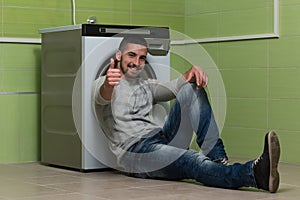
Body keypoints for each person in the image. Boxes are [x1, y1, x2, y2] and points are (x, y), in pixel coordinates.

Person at [93, 35, 281, 193]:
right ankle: (254, 174)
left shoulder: (145, 85)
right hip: (135, 153)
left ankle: (217, 159)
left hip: (160, 139)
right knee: (191, 159)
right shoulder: (103, 84)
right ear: (119, 55)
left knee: (191, 88)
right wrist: (109, 83)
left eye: (142, 58)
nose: (136, 62)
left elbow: (175, 87)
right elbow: (102, 97)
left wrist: (192, 71)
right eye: (131, 55)